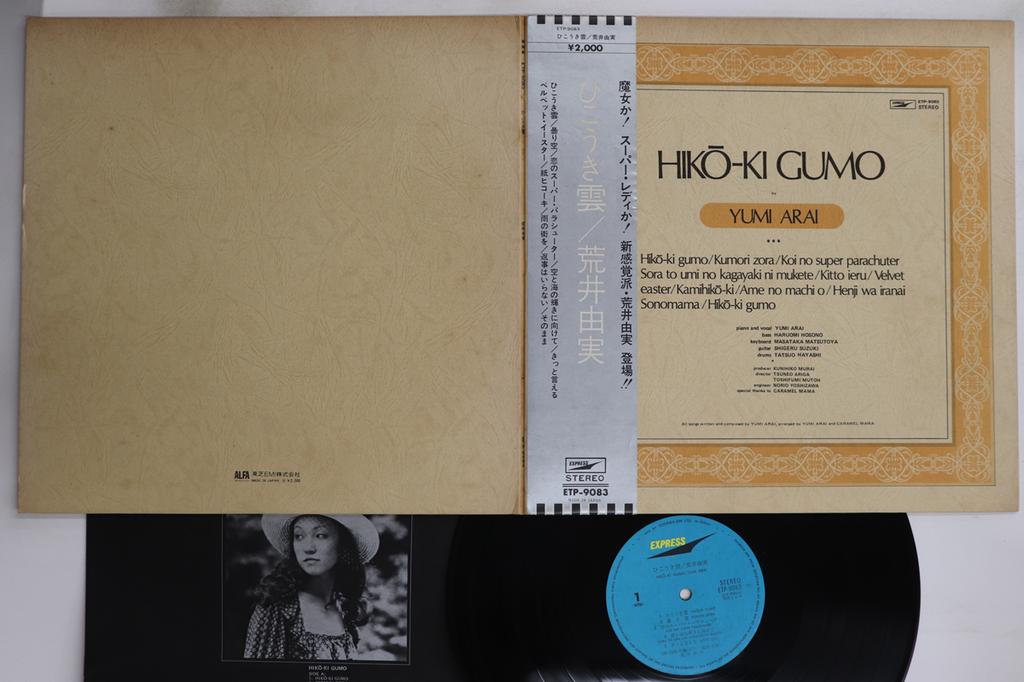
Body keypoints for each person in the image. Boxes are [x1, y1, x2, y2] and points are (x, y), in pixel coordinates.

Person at [244, 514, 380, 660]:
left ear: (343, 544)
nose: (308, 548)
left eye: (320, 535)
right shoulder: (278, 609)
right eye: (299, 536)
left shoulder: (345, 610)